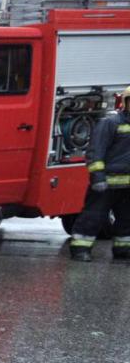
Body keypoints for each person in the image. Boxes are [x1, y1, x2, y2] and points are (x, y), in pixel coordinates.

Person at [69, 86, 130, 262]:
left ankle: (123, 249)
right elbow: (95, 152)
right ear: (124, 103)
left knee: (126, 219)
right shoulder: (110, 123)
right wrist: (98, 178)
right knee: (93, 216)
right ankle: (80, 248)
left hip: (127, 186)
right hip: (107, 182)